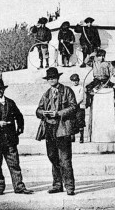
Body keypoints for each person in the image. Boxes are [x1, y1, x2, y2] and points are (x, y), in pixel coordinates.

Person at [0, 78, 33, 196]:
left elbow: (19, 116)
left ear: (4, 90)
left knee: (14, 164)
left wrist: (19, 129)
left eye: (1, 88)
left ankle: (19, 186)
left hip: (10, 140)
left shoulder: (10, 103)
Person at [35, 67, 77, 196]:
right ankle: (57, 185)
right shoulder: (46, 94)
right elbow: (38, 110)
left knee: (65, 159)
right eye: (49, 78)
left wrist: (58, 113)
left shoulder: (67, 91)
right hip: (49, 129)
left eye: (53, 77)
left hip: (63, 129)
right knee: (52, 157)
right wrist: (45, 113)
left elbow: (74, 106)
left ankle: (69, 187)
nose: (51, 80)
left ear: (58, 78)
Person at [69, 73, 86, 143]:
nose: (75, 82)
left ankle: (81, 137)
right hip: (72, 107)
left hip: (79, 107)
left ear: (78, 81)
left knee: (80, 121)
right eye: (73, 81)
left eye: (76, 80)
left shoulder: (81, 88)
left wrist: (75, 104)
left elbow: (81, 97)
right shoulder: (70, 88)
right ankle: (72, 137)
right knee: (72, 121)